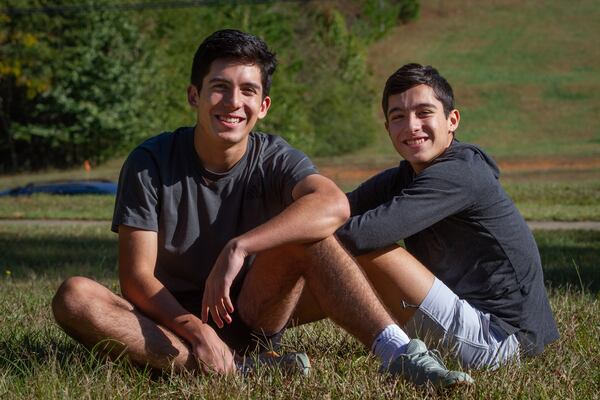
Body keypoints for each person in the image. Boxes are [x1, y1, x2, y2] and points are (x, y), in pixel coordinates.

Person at [51, 31, 472, 387]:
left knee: (313, 234)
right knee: (75, 297)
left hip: (250, 314)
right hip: (165, 321)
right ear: (194, 95)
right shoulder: (150, 161)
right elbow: (136, 278)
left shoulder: (274, 157)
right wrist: (196, 329)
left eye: (249, 90)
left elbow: (333, 204)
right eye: (219, 87)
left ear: (263, 106)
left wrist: (240, 247)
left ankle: (397, 352)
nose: (233, 102)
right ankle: (239, 369)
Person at [333, 63, 559, 369]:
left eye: (424, 112)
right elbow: (339, 206)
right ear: (388, 128)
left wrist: (297, 242)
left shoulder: (459, 173)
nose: (411, 125)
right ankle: (260, 335)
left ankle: (259, 330)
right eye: (398, 116)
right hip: (472, 324)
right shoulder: (406, 175)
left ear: (452, 120)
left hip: (502, 342)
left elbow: (358, 236)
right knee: (321, 247)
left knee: (365, 252)